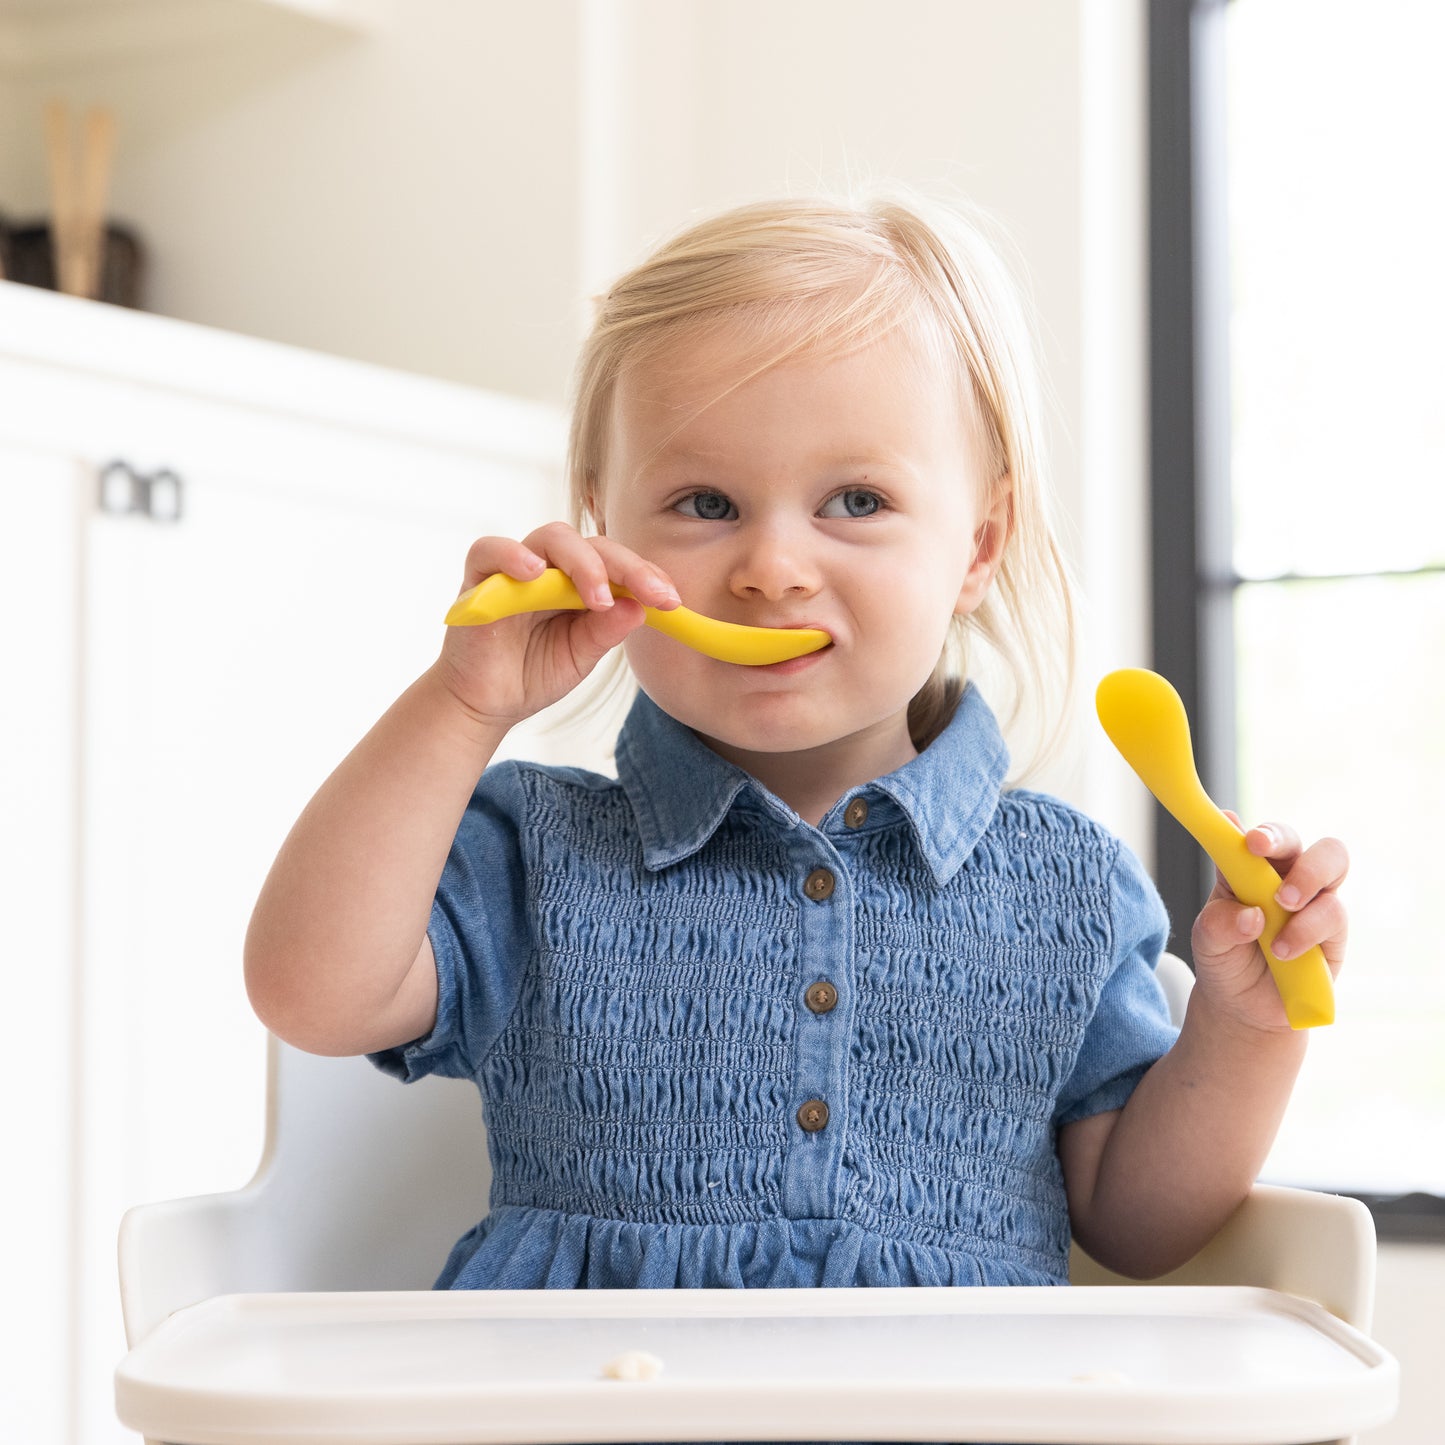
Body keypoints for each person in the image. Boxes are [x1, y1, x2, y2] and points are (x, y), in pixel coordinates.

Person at [244, 193, 1348, 1292]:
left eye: (855, 499)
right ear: (602, 532)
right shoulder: (532, 847)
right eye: (704, 500)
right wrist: (461, 702)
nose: (772, 565)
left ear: (977, 545)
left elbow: (1135, 1226)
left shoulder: (1070, 885)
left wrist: (1246, 1025)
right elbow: (313, 992)